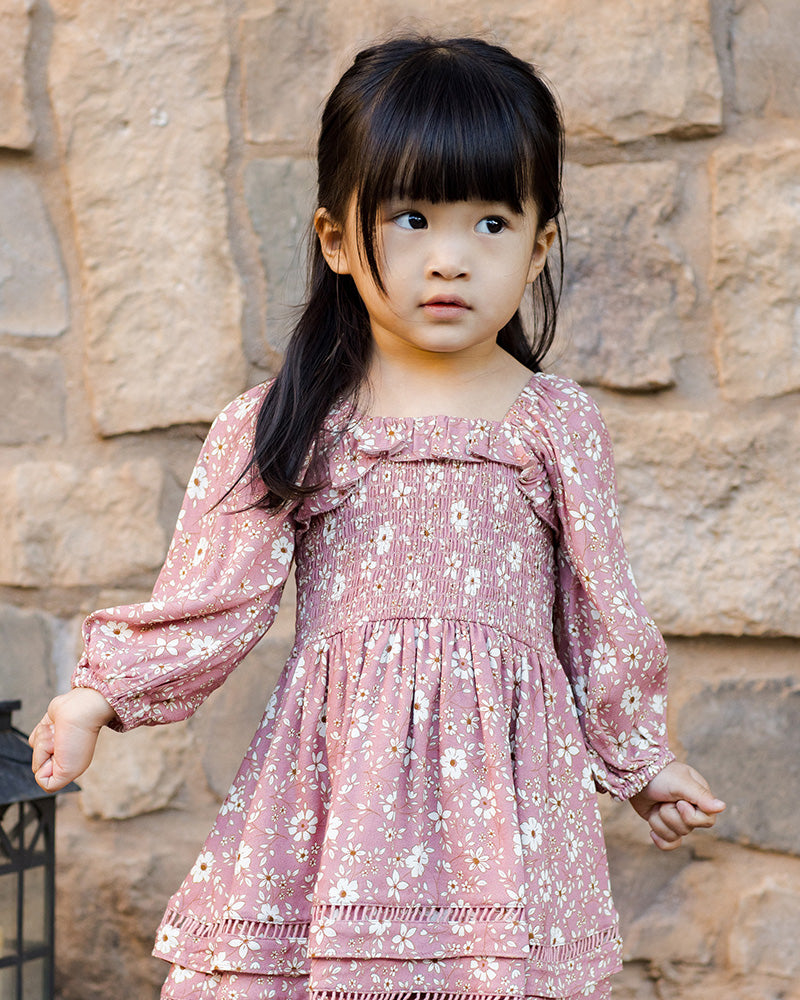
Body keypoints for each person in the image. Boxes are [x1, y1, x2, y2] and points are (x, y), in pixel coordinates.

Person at [29, 35, 725, 1000]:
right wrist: (98, 697)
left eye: (491, 222)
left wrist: (642, 762)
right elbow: (214, 597)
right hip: (334, 794)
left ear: (540, 246)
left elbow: (596, 612)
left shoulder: (555, 425)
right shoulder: (293, 421)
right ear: (336, 238)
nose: (449, 258)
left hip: (507, 809)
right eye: (411, 217)